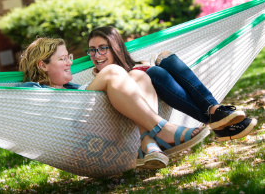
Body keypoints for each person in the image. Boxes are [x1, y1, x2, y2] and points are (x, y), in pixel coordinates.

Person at [16, 37, 209, 170]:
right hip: (81, 130)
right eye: (63, 58)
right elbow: (31, 107)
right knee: (111, 71)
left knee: (138, 76)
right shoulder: (33, 91)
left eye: (69, 57)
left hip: (106, 122)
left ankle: (147, 141)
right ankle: (162, 129)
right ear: (43, 65)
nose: (69, 62)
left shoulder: (72, 87)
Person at [86, 27, 257, 152]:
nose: (97, 55)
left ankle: (214, 110)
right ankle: (215, 114)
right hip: (146, 105)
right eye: (92, 50)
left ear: (116, 48)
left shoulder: (139, 67)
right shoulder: (105, 81)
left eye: (102, 48)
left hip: (165, 90)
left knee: (165, 57)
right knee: (153, 71)